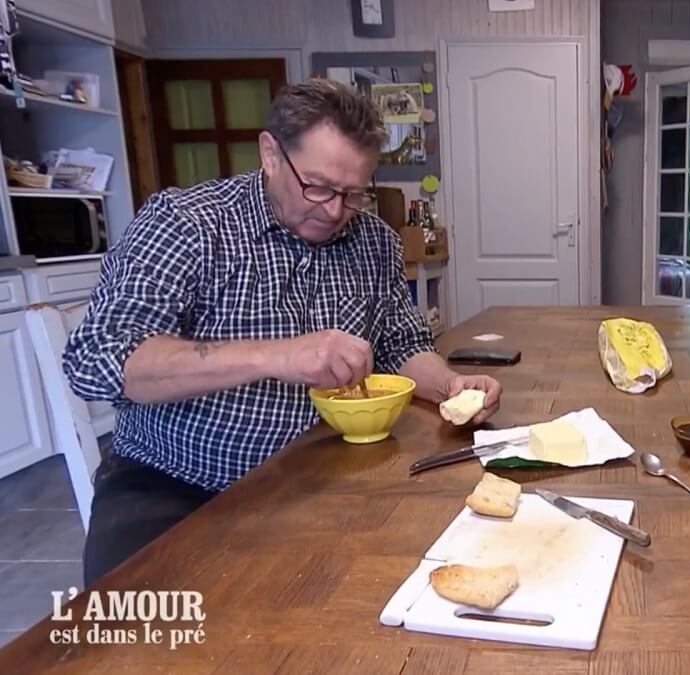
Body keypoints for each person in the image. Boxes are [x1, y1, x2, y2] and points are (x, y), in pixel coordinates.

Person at [64, 79, 502, 586]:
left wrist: (450, 386)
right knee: (136, 641)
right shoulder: (186, 223)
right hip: (170, 483)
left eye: (354, 193)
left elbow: (401, 345)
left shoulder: (374, 240)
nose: (336, 210)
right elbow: (97, 361)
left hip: (320, 474)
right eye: (317, 186)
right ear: (270, 154)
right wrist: (277, 356)